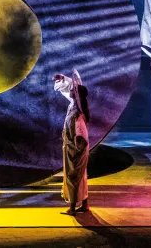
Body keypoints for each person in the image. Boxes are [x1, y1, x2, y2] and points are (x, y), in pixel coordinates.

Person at [53, 70, 90, 215]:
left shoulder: (77, 114)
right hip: (73, 148)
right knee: (81, 176)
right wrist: (63, 78)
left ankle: (72, 208)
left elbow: (81, 136)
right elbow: (75, 86)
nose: (70, 91)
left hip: (75, 150)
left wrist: (75, 149)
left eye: (73, 90)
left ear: (76, 95)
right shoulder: (75, 104)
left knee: (73, 176)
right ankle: (85, 204)